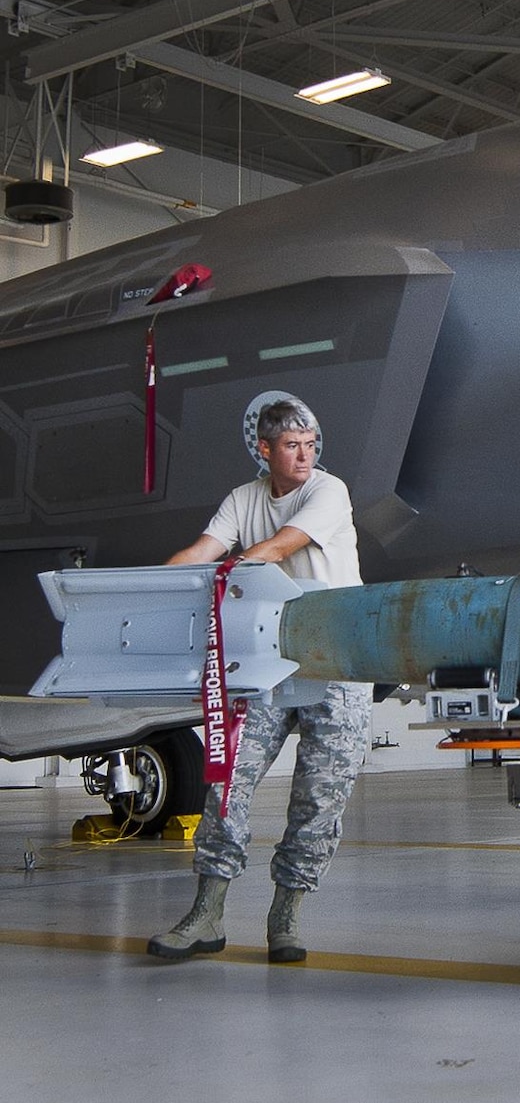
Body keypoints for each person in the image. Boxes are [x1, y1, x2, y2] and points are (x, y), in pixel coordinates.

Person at [147, 399, 370, 965]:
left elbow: (277, 549)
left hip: (338, 661)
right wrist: (152, 588)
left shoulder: (328, 490)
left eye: (311, 444)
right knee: (226, 782)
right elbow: (202, 551)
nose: (305, 455)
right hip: (268, 660)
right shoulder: (244, 498)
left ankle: (286, 915)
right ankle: (207, 914)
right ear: (265, 450)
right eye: (292, 445)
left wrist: (221, 572)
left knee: (319, 798)